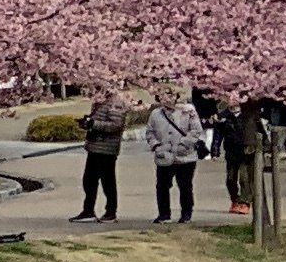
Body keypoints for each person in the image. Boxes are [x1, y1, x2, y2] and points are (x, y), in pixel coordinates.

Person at [142, 87, 207, 222]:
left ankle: (186, 213)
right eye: (163, 95)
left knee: (185, 186)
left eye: (171, 95)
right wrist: (156, 145)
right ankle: (164, 214)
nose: (167, 98)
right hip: (164, 155)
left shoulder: (188, 111)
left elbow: (196, 130)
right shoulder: (155, 114)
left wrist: (183, 144)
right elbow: (150, 132)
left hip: (185, 156)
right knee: (162, 186)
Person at [77, 87, 127, 222]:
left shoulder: (115, 101)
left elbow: (116, 125)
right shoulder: (100, 100)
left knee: (107, 181)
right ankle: (88, 211)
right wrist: (87, 123)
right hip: (94, 146)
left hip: (106, 148)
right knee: (89, 180)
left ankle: (110, 212)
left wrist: (94, 124)